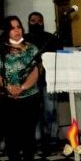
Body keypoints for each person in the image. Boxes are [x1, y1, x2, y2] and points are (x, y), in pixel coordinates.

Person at [0, 16, 42, 161]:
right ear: (6, 31)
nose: (17, 30)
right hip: (8, 99)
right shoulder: (0, 49)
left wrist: (22, 87)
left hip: (29, 97)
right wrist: (7, 87)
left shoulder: (31, 48)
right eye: (12, 28)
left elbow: (35, 71)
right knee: (11, 136)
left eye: (19, 27)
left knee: (28, 135)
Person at [27, 11, 62, 142]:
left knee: (50, 110)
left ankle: (52, 137)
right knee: (34, 111)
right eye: (33, 21)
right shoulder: (24, 40)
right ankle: (36, 138)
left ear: (43, 23)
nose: (36, 24)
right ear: (28, 23)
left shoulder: (51, 38)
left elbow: (60, 57)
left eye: (39, 21)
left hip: (49, 81)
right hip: (31, 82)